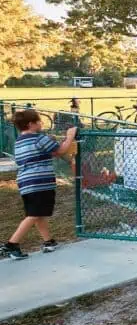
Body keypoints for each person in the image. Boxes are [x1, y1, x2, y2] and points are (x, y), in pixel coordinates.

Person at [1, 111, 77, 259]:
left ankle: (49, 241)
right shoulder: (39, 138)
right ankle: (11, 244)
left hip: (25, 183)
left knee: (38, 213)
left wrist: (52, 143)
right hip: (39, 182)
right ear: (31, 124)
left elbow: (50, 152)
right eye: (39, 122)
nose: (41, 124)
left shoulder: (20, 141)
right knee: (33, 215)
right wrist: (70, 136)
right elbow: (61, 150)